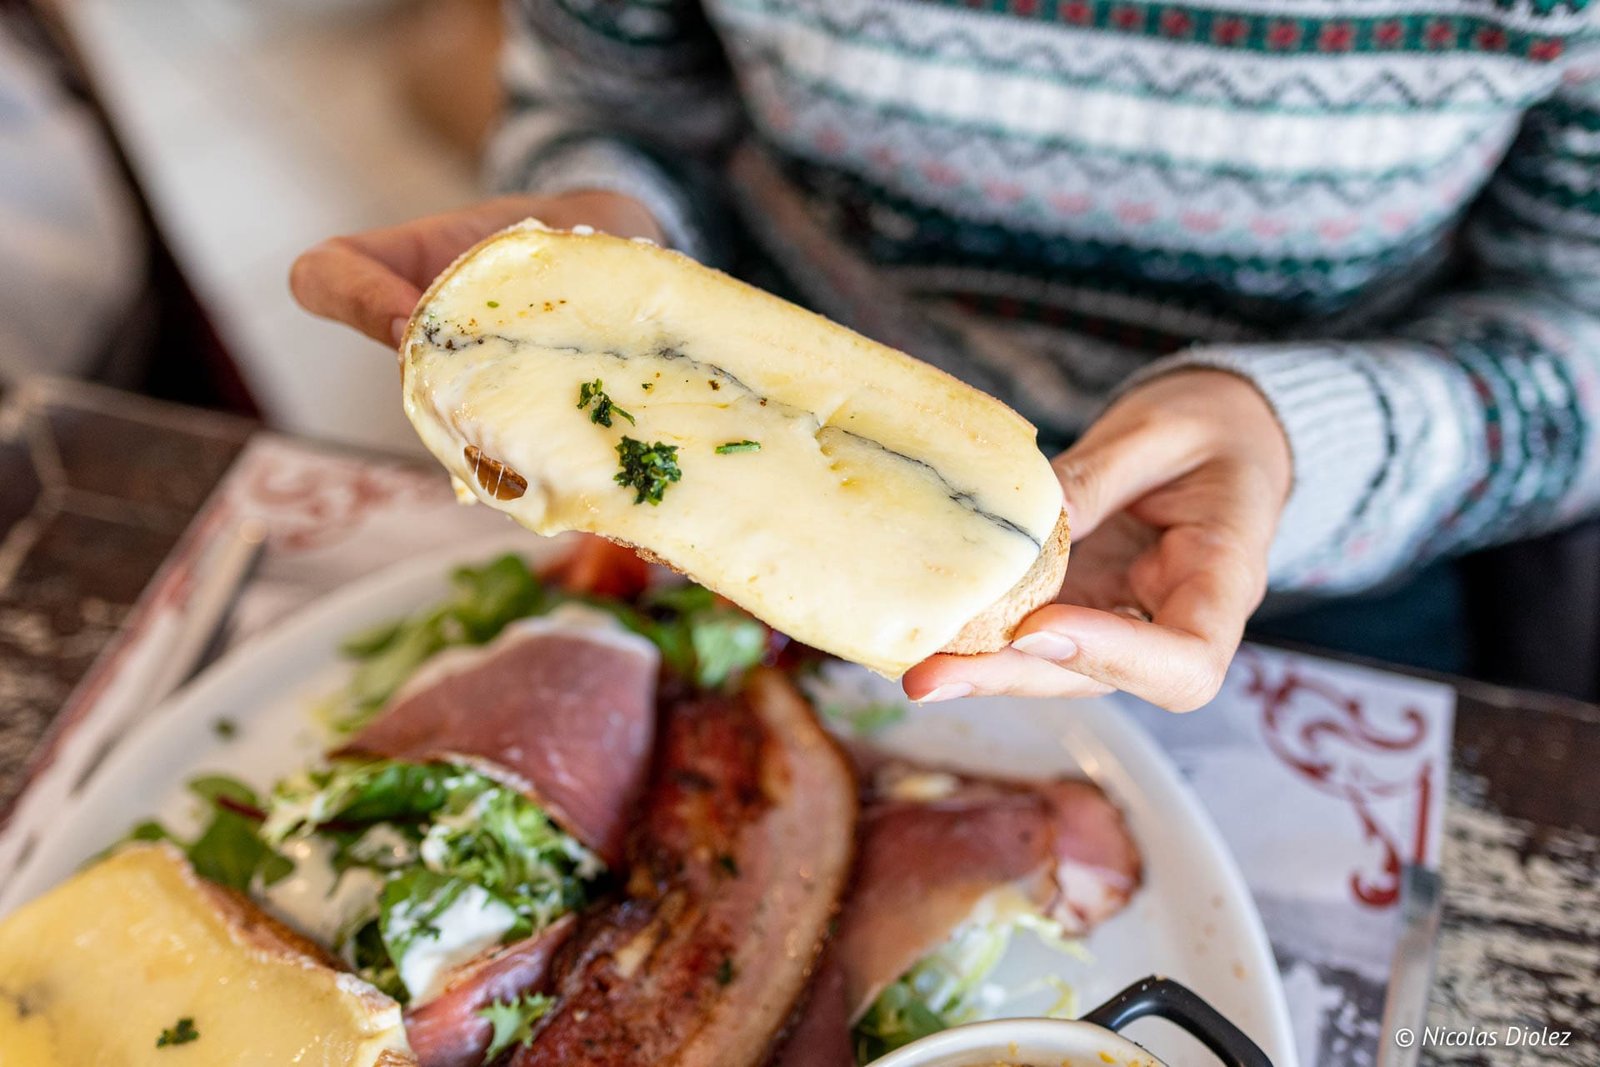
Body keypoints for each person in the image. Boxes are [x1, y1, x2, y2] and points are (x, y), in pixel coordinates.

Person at [291, 0, 1600, 711]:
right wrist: (598, 249)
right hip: (759, 532)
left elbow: (1578, 324)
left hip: (1312, 571)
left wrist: (1297, 438)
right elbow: (613, 109)